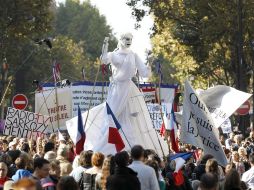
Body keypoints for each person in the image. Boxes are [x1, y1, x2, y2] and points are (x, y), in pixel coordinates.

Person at [66, 33, 167, 157]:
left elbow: (145, 73)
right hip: (117, 90)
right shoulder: (114, 55)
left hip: (129, 89)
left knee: (129, 118)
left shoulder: (133, 55)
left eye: (130, 39)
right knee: (112, 115)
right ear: (120, 40)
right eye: (126, 39)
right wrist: (105, 45)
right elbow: (103, 59)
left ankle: (130, 147)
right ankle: (106, 146)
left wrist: (149, 64)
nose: (128, 41)